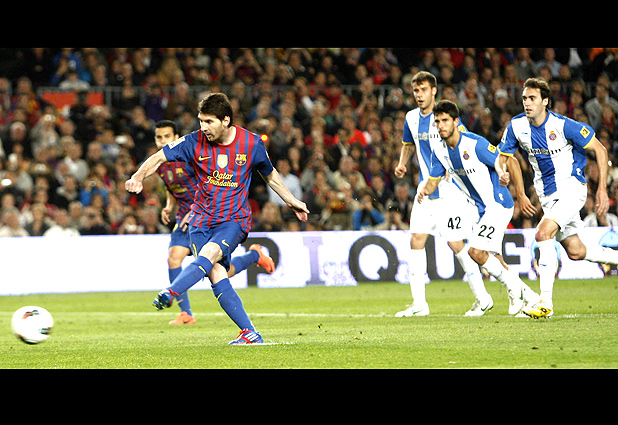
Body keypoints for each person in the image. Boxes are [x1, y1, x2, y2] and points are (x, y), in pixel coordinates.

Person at [126, 93, 309, 345]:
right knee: (216, 272)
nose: (203, 127)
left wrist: (291, 200)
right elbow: (158, 157)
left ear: (226, 120)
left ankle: (172, 291)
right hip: (200, 221)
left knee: (209, 255)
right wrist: (137, 176)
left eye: (209, 122)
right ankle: (249, 331)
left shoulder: (251, 143)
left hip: (233, 219)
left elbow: (270, 175)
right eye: (201, 121)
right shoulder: (193, 141)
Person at [498, 77, 618, 318]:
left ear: (545, 101)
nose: (527, 103)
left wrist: (602, 189)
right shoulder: (516, 126)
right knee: (576, 251)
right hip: (547, 196)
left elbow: (600, 149)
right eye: (524, 98)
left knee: (543, 234)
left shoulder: (563, 125)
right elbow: (504, 156)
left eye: (532, 98)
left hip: (572, 188)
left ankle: (545, 303)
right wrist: (504, 174)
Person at [418, 100, 540, 316]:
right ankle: (532, 298)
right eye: (437, 121)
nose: (441, 125)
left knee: (475, 251)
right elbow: (433, 181)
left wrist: (520, 194)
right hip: (478, 210)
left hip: (497, 204)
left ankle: (513, 289)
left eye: (445, 120)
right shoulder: (439, 151)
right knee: (494, 260)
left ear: (456, 121)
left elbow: (509, 161)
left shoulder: (475, 144)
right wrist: (423, 191)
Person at [153, 120, 277, 326]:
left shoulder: (188, 158)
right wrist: (168, 205)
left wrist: (194, 209)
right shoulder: (160, 165)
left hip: (205, 215)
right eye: (159, 137)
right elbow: (171, 187)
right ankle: (186, 313)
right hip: (184, 218)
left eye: (167, 137)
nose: (162, 141)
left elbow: (209, 184)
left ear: (176, 138)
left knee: (218, 271)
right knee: (174, 259)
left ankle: (253, 255)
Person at [394, 71, 490, 317]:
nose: (419, 95)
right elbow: (408, 143)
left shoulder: (445, 118)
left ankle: (482, 297)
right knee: (416, 239)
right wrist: (402, 163)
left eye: (423, 90)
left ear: (433, 91)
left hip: (448, 190)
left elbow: (463, 142)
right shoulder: (411, 118)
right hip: (425, 189)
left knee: (455, 243)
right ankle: (419, 304)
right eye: (416, 91)